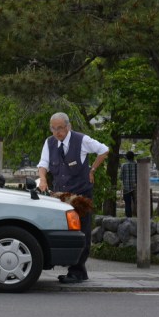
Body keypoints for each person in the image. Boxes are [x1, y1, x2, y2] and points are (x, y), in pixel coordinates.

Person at [37, 112, 109, 284]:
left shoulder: (81, 140)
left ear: (68, 126)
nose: (57, 132)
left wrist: (92, 169)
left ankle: (77, 271)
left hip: (80, 195)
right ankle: (72, 268)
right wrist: (43, 179)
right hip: (60, 196)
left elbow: (104, 150)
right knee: (63, 230)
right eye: (53, 128)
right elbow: (43, 163)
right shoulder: (49, 142)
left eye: (60, 128)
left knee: (82, 232)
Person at [120, 151, 138, 218]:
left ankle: (128, 218)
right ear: (133, 157)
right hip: (135, 188)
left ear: (126, 157)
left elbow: (120, 177)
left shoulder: (123, 165)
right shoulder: (137, 165)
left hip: (126, 188)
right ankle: (139, 217)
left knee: (127, 203)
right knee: (137, 203)